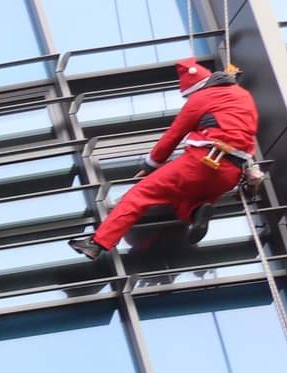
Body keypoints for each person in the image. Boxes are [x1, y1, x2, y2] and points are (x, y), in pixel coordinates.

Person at [68, 57, 261, 262]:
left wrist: (149, 165)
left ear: (196, 89)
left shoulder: (201, 98)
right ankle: (196, 212)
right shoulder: (244, 96)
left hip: (202, 161)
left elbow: (173, 136)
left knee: (139, 195)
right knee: (185, 195)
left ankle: (97, 243)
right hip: (231, 172)